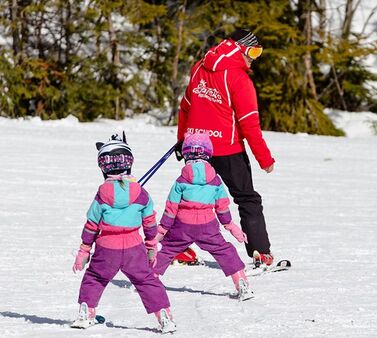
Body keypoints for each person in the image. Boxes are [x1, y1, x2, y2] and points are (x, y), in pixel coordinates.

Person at [175, 29, 275, 267]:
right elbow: (250, 124)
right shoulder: (239, 79)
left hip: (196, 149)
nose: (254, 58)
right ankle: (260, 251)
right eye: (253, 51)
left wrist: (183, 141)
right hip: (227, 150)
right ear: (240, 49)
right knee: (247, 199)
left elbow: (185, 107)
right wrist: (265, 158)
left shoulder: (199, 67)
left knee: (192, 199)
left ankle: (178, 248)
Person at [71, 132, 176, 333]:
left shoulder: (101, 194)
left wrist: (84, 250)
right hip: (133, 247)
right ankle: (163, 316)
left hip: (106, 248)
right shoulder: (141, 193)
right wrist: (152, 245)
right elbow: (149, 222)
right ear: (129, 163)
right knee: (146, 281)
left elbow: (91, 224)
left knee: (94, 277)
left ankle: (85, 312)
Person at [148, 132, 254, 301]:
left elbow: (171, 208)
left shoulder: (181, 180)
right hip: (208, 225)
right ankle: (241, 281)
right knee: (224, 251)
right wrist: (231, 226)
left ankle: (150, 282)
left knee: (167, 250)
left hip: (182, 225)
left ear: (185, 154)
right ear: (209, 153)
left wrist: (161, 231)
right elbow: (222, 207)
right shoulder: (215, 180)